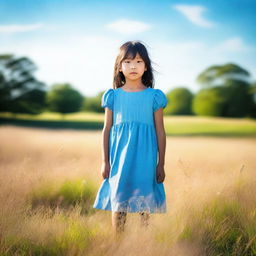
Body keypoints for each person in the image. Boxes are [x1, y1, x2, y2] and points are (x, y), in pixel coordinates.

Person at [93, 40, 167, 236]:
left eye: (139, 61)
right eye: (127, 62)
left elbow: (160, 131)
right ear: (119, 67)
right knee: (119, 199)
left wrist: (161, 164)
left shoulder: (154, 96)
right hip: (119, 158)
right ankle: (119, 243)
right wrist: (104, 161)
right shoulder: (113, 96)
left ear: (146, 67)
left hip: (146, 157)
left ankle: (143, 244)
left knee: (144, 202)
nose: (133, 66)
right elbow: (106, 129)